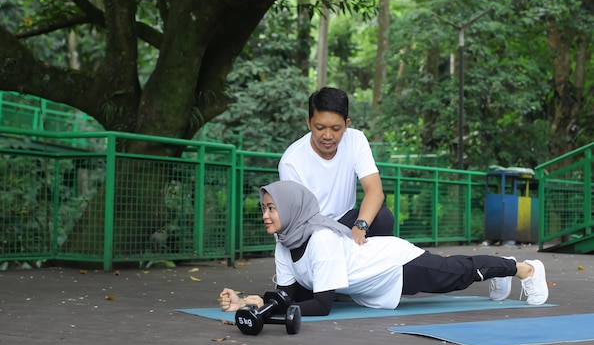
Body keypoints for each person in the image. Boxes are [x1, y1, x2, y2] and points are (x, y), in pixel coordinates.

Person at [219, 180, 549, 316]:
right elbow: (289, 294)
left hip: (394, 263)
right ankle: (504, 269)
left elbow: (321, 303)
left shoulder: (319, 239)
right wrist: (252, 302)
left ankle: (523, 268)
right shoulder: (285, 242)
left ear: (291, 208)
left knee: (457, 274)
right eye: (264, 208)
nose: (266, 215)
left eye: (272, 208)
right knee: (457, 274)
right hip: (376, 284)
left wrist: (266, 308)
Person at [278, 86, 392, 245]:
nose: (327, 136)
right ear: (309, 123)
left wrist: (360, 227)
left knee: (383, 217)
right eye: (320, 127)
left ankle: (369, 267)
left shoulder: (356, 140)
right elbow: (296, 220)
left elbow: (375, 191)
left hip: (344, 222)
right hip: (309, 229)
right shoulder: (291, 161)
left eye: (336, 128)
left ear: (346, 125)